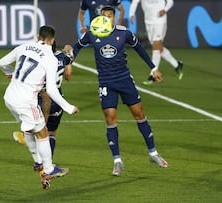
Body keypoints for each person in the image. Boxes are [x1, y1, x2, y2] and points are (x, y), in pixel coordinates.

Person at [65, 6, 168, 176]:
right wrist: (69, 63)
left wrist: (153, 68)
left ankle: (153, 153)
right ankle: (117, 161)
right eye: (104, 16)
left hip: (125, 79)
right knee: (111, 119)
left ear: (115, 17)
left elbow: (140, 49)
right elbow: (76, 48)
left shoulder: (124, 33)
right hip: (106, 82)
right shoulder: (92, 33)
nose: (107, 18)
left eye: (110, 16)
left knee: (139, 114)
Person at [0, 25, 79, 188]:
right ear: (53, 40)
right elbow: (51, 90)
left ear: (38, 37)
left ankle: (37, 162)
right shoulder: (51, 59)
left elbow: (2, 62)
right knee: (42, 133)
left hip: (9, 98)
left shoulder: (24, 46)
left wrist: (10, 73)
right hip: (26, 102)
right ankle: (48, 168)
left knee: (30, 129)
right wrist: (68, 107)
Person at [13, 41, 73, 159]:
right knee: (51, 133)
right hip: (57, 100)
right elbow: (68, 75)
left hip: (41, 98)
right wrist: (69, 55)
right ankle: (48, 163)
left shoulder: (43, 59)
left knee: (40, 132)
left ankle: (29, 139)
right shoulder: (62, 57)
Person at [129, 0, 183, 85]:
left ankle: (153, 75)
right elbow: (135, 2)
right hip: (148, 21)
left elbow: (170, 2)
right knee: (158, 48)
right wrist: (131, 14)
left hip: (160, 21)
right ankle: (177, 64)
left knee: (156, 47)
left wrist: (165, 10)